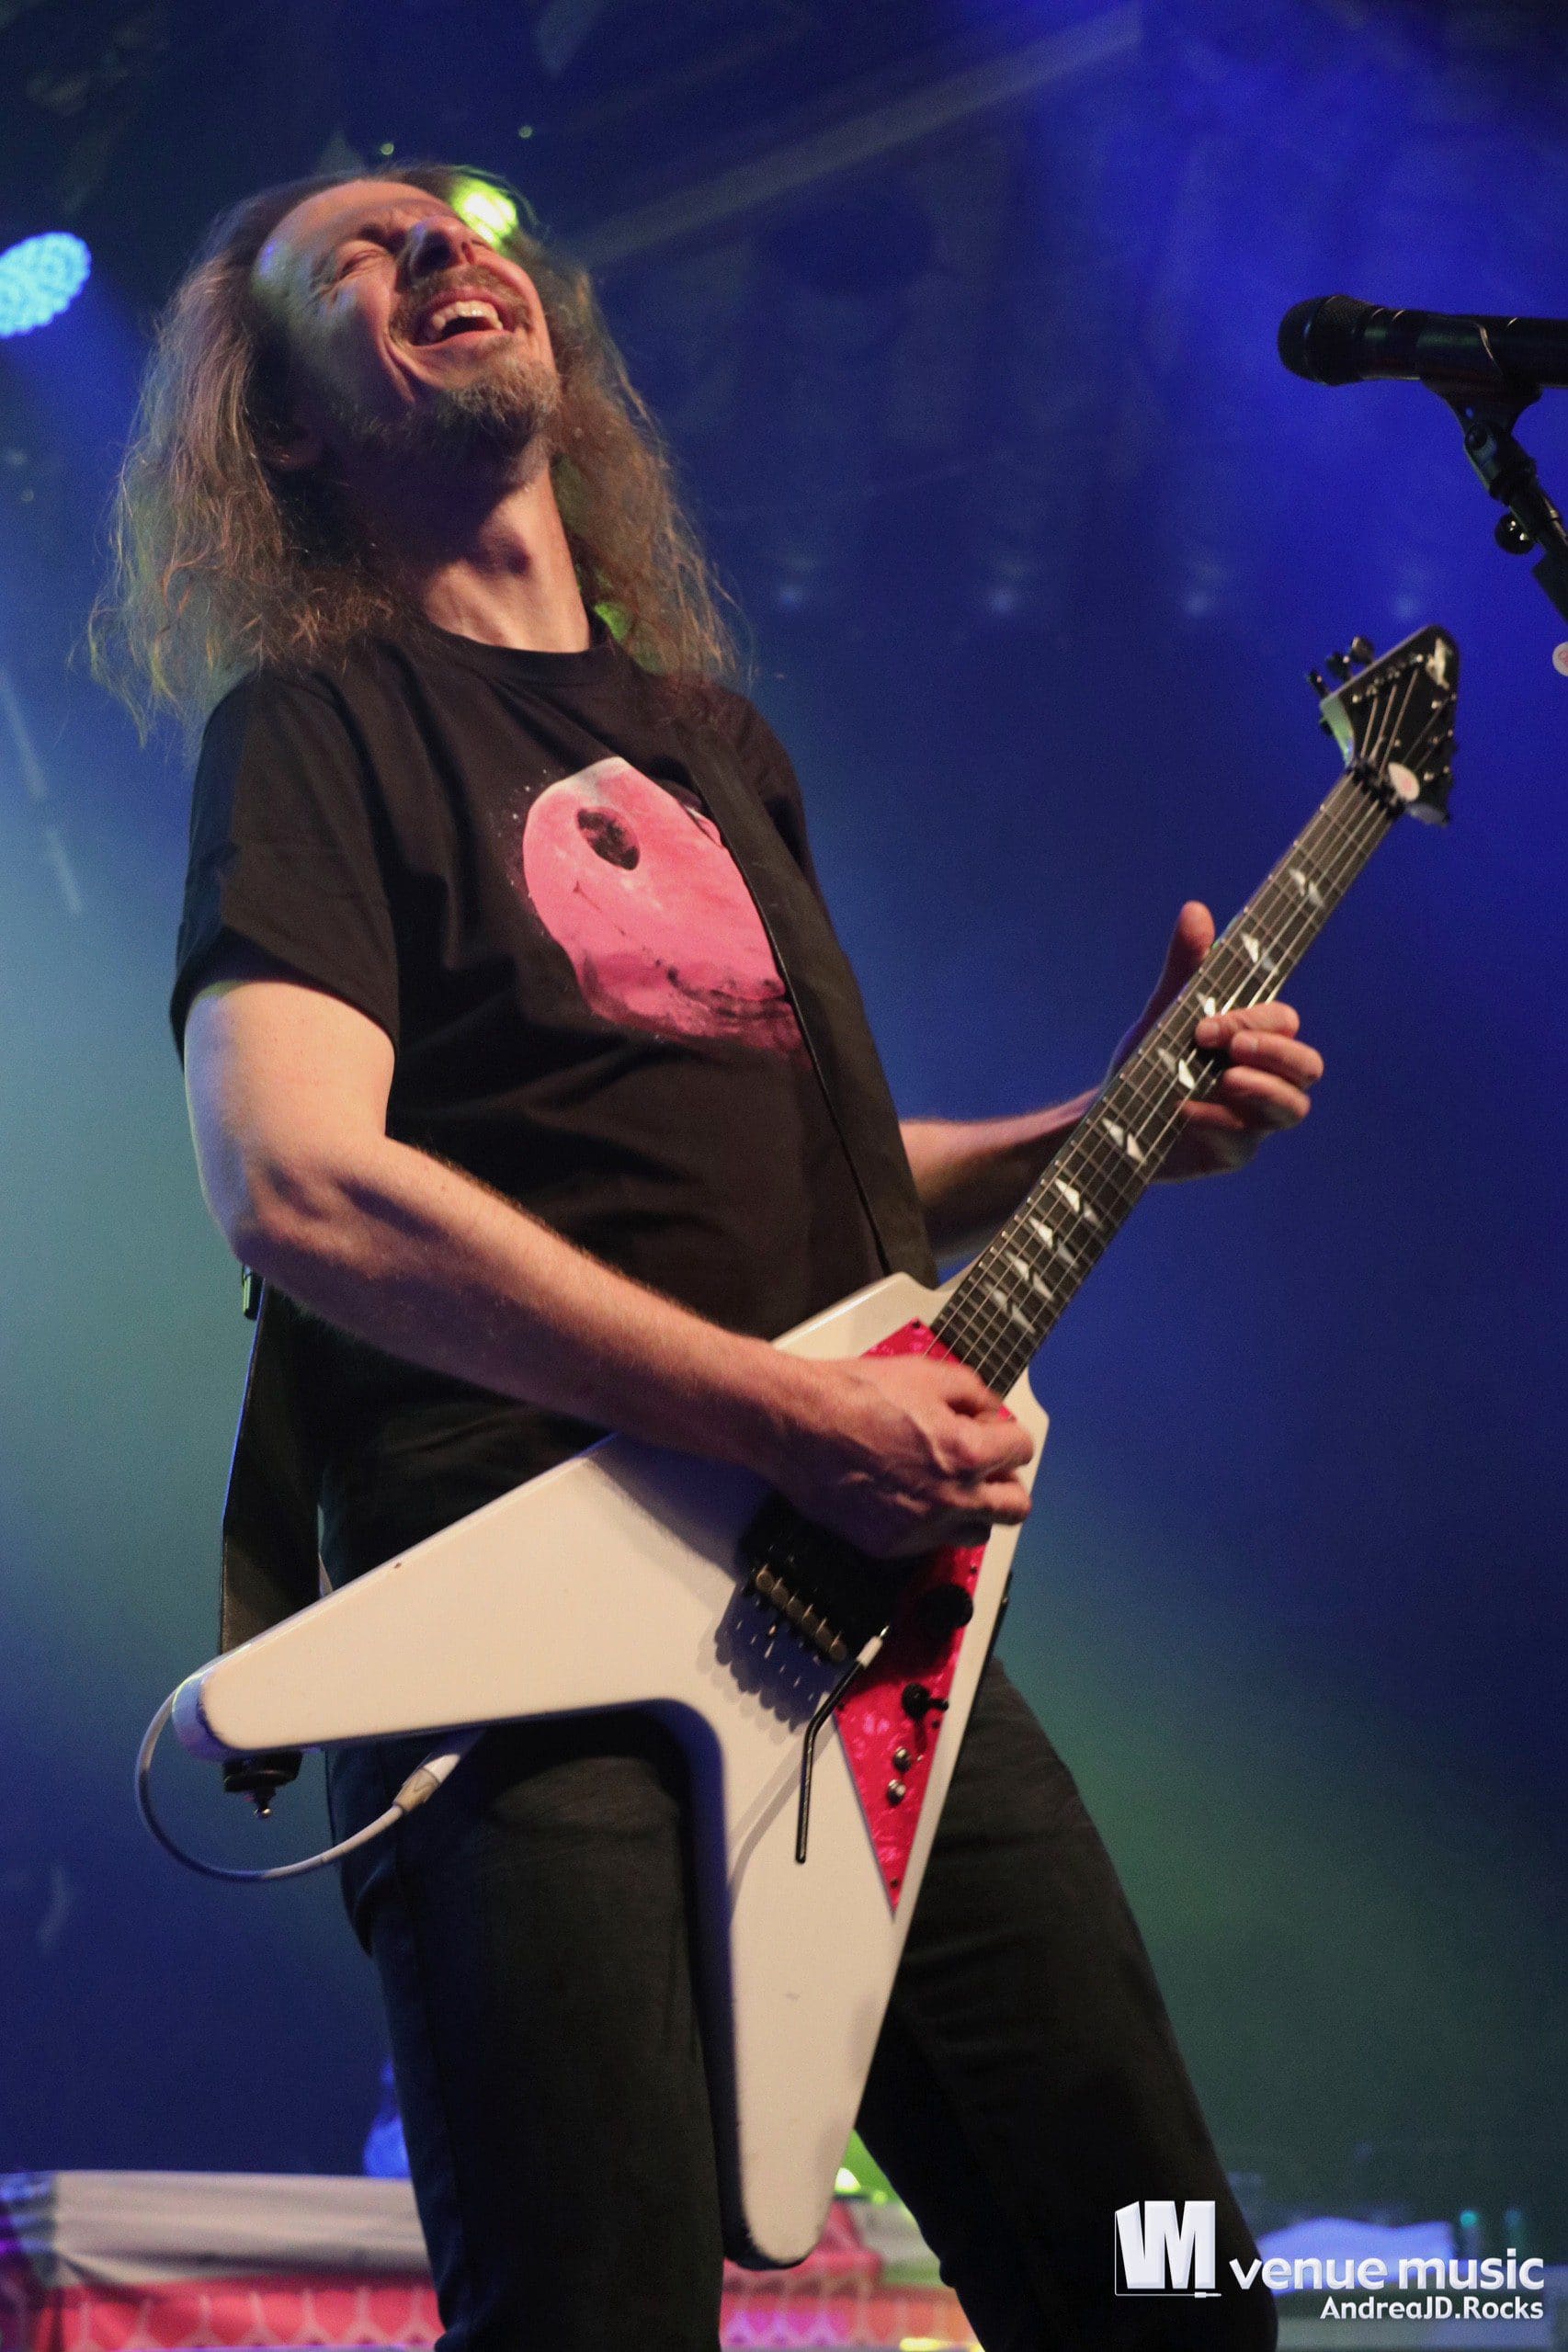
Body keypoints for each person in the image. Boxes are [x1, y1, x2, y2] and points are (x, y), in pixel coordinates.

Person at [97, 165, 1323, 2350]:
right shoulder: (315, 728)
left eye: (455, 223)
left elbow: (818, 1193)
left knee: (1164, 2277)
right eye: (356, 256)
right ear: (285, 422)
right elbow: (295, 1176)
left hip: (858, 1618)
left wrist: (1105, 1123)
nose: (442, 248)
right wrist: (777, 1407)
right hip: (523, 1626)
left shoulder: (715, 745)